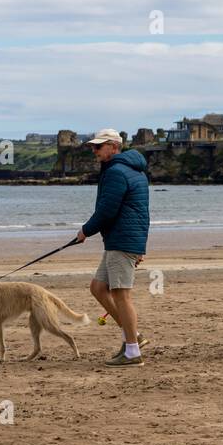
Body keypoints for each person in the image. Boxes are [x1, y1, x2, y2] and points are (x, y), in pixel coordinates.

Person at [72, 129, 151, 366]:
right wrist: (139, 245)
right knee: (98, 287)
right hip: (121, 240)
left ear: (114, 147)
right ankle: (133, 337)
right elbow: (141, 212)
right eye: (93, 147)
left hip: (122, 241)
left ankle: (133, 351)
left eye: (99, 147)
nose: (94, 151)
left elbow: (107, 210)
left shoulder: (117, 171)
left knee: (121, 295)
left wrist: (85, 231)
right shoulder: (130, 170)